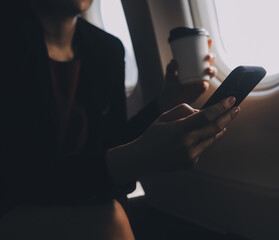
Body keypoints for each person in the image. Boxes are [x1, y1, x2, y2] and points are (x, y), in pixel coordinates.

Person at [0, 0, 240, 239]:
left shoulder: (107, 50)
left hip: (79, 196)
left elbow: (109, 144)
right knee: (110, 220)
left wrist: (165, 102)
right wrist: (129, 161)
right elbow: (18, 177)